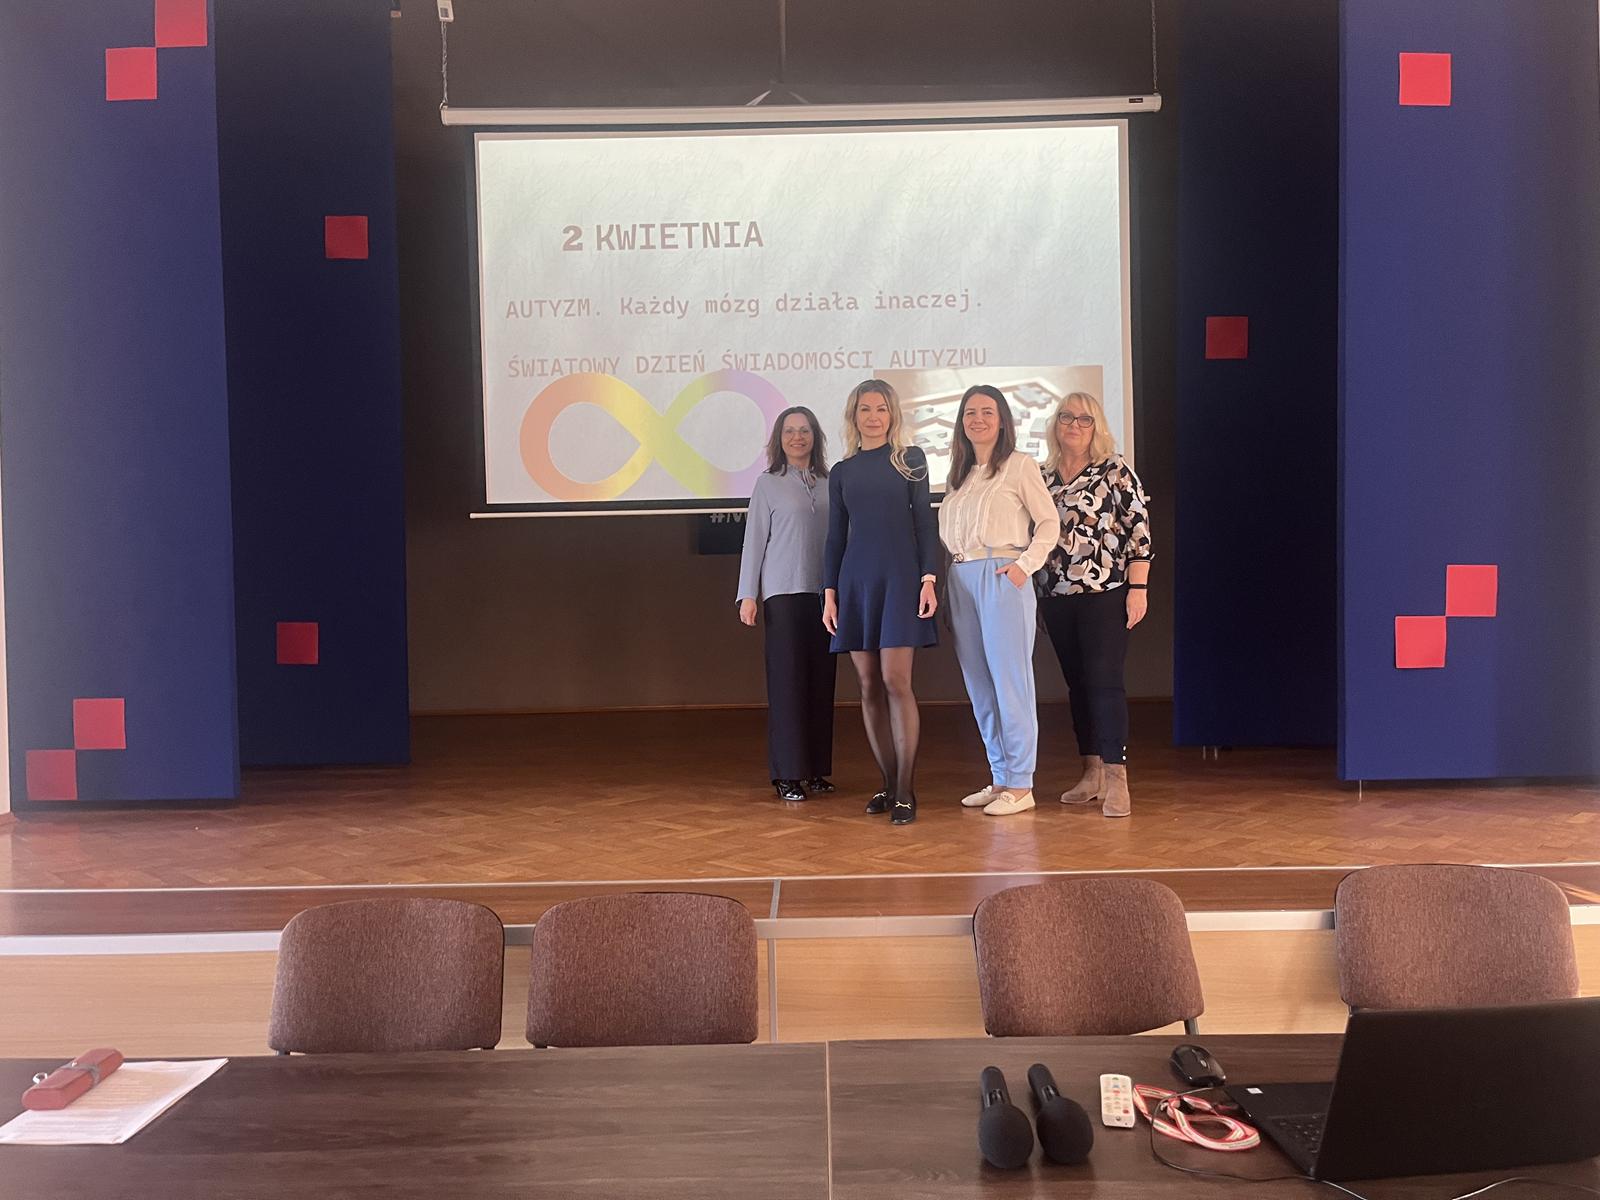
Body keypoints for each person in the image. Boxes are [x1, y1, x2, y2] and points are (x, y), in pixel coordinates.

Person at [938, 385, 1060, 817]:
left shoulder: (1019, 465)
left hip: (1002, 574)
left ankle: (1022, 784)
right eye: (970, 412)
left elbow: (1049, 522)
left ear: (1003, 420)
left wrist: (1024, 566)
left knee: (1011, 682)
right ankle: (1001, 777)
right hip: (961, 578)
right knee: (979, 684)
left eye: (987, 412)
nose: (978, 419)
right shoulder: (959, 476)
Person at [822, 380, 939, 826]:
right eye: (865, 409)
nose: (873, 416)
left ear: (893, 415)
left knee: (895, 680)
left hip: (901, 579)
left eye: (881, 408)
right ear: (854, 416)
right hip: (855, 582)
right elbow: (835, 536)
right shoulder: (842, 471)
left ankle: (906, 789)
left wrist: (928, 578)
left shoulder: (911, 460)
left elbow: (925, 524)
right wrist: (829, 593)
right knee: (868, 684)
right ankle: (888, 785)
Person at [1036, 390, 1152, 818]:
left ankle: (1117, 776)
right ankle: (1091, 772)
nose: (1074, 425)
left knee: (1105, 682)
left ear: (1096, 427)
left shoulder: (1115, 470)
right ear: (1055, 425)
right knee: (1078, 685)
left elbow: (1139, 531)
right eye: (1066, 417)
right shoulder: (1042, 476)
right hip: (1055, 595)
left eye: (1084, 419)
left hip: (1106, 593)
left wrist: (1138, 589)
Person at [736, 407, 837, 802]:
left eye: (805, 430)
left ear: (816, 437)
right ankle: (787, 774)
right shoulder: (768, 484)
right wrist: (748, 594)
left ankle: (815, 769)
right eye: (790, 431)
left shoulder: (830, 481)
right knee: (787, 684)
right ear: (779, 439)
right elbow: (754, 541)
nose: (798, 437)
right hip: (783, 593)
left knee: (821, 682)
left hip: (825, 596)